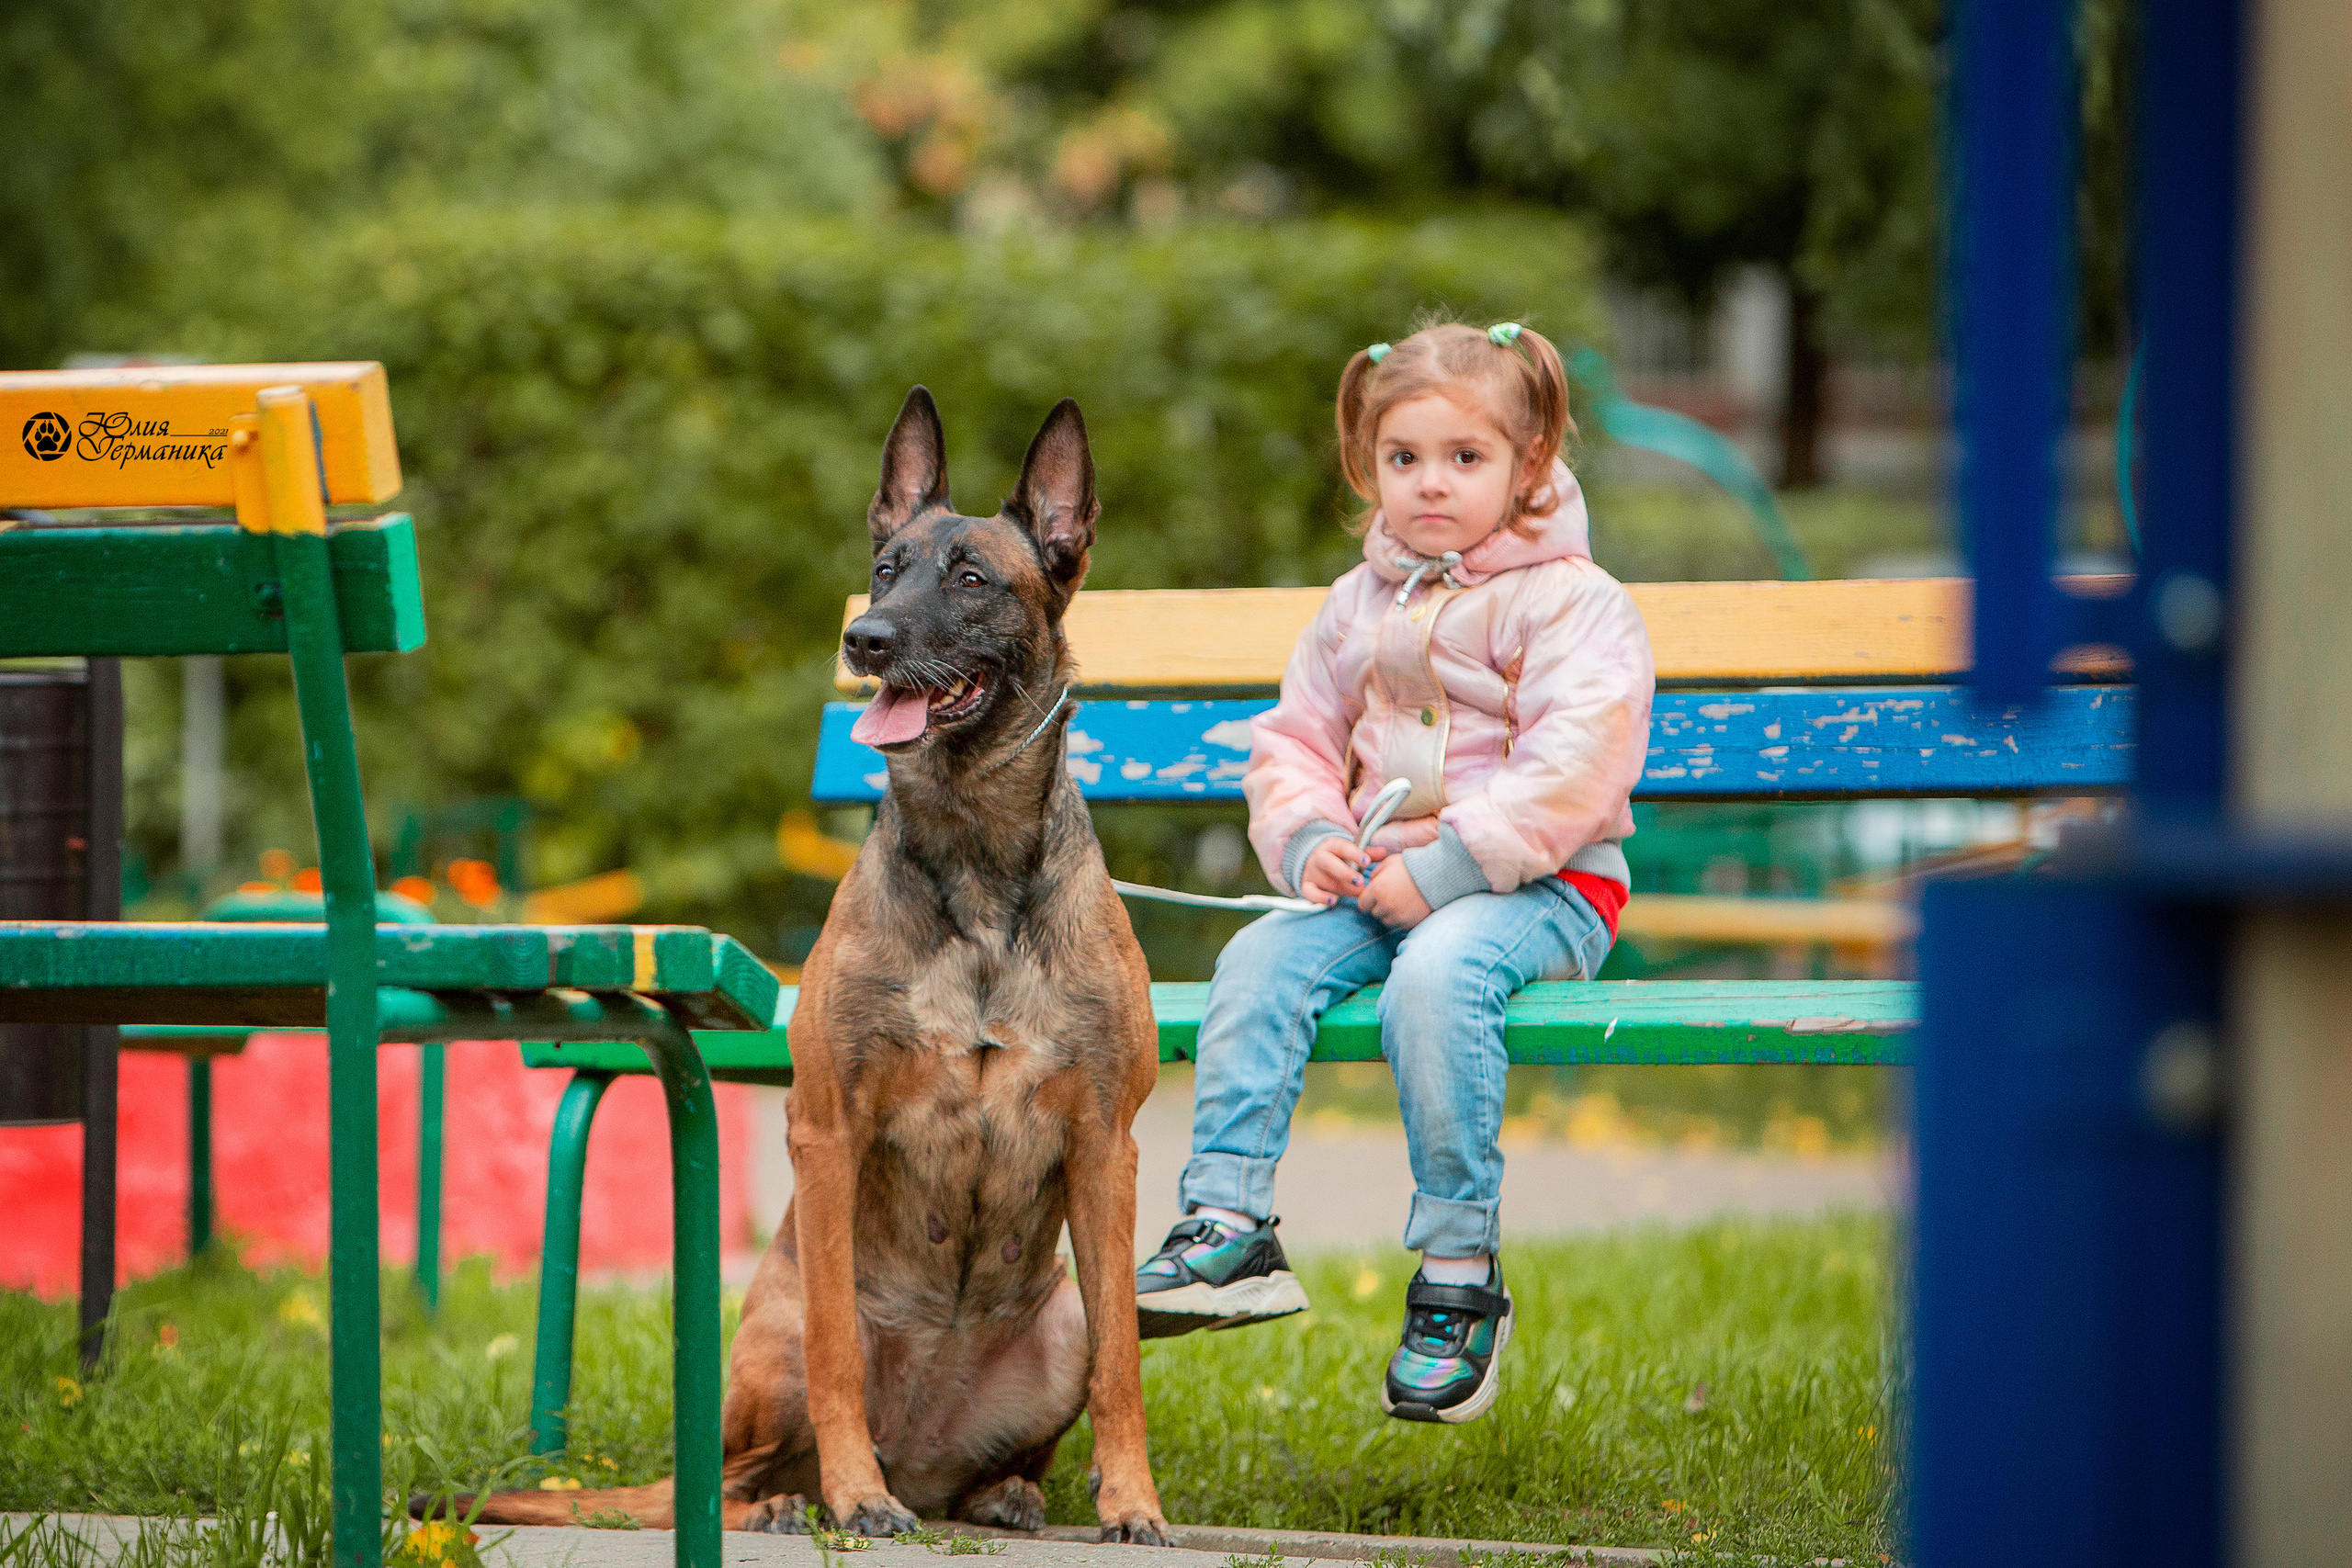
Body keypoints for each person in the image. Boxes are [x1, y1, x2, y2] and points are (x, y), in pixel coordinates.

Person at [1131, 319, 1656, 1424]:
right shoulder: (1355, 605)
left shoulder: (1574, 601)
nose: (1429, 485)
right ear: (1367, 463)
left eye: (1464, 459)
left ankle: (1460, 1274)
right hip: (1381, 883)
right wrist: (1309, 838)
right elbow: (1296, 742)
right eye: (1402, 459)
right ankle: (1228, 1226)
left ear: (1531, 460)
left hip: (1543, 891)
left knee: (1436, 976)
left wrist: (1454, 866)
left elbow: (1576, 765)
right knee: (1261, 957)